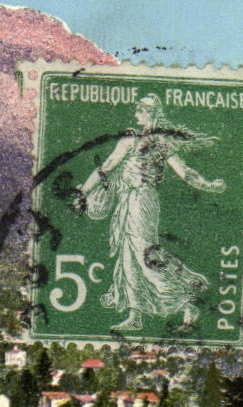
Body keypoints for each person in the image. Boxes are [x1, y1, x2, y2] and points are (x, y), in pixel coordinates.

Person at [74, 95, 225, 333]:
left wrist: (83, 190)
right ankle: (137, 315)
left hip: (139, 201)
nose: (135, 114)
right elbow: (186, 174)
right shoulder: (157, 141)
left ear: (149, 113)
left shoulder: (140, 140)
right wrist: (209, 185)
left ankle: (186, 301)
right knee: (131, 255)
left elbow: (109, 165)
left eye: (139, 110)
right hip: (134, 201)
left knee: (142, 254)